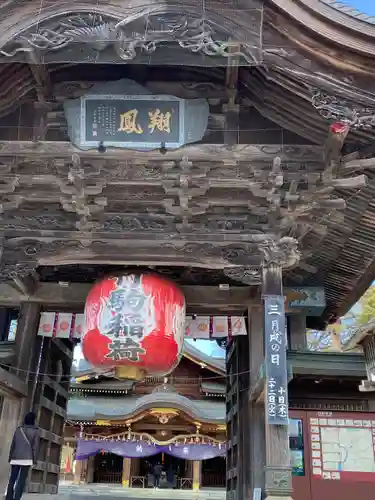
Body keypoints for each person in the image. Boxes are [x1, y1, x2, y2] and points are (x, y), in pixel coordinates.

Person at [6, 411, 40, 500]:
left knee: (12, 478)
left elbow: (13, 444)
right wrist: (34, 461)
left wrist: (10, 457)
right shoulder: (35, 431)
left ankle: (9, 497)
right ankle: (17, 498)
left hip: (15, 457)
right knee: (21, 480)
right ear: (33, 420)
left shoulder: (18, 429)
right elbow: (35, 448)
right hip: (27, 459)